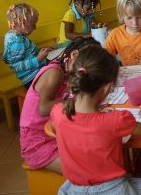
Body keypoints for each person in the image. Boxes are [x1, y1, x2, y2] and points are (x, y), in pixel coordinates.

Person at [50, 47, 141, 194]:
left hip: (73, 189)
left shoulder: (58, 112)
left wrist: (95, 115)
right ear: (108, 87)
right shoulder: (115, 120)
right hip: (112, 190)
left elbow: (60, 128)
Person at [20, 37, 101, 174]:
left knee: (98, 150)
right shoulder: (55, 73)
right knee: (87, 172)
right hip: (39, 140)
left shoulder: (71, 71)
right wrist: (80, 101)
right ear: (74, 55)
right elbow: (44, 108)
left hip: (60, 130)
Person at [3, 3, 51, 88]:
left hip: (36, 73)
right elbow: (16, 66)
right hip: (32, 78)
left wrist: (40, 51)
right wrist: (38, 59)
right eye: (33, 24)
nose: (35, 27)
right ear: (23, 24)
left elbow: (27, 53)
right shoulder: (17, 43)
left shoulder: (17, 36)